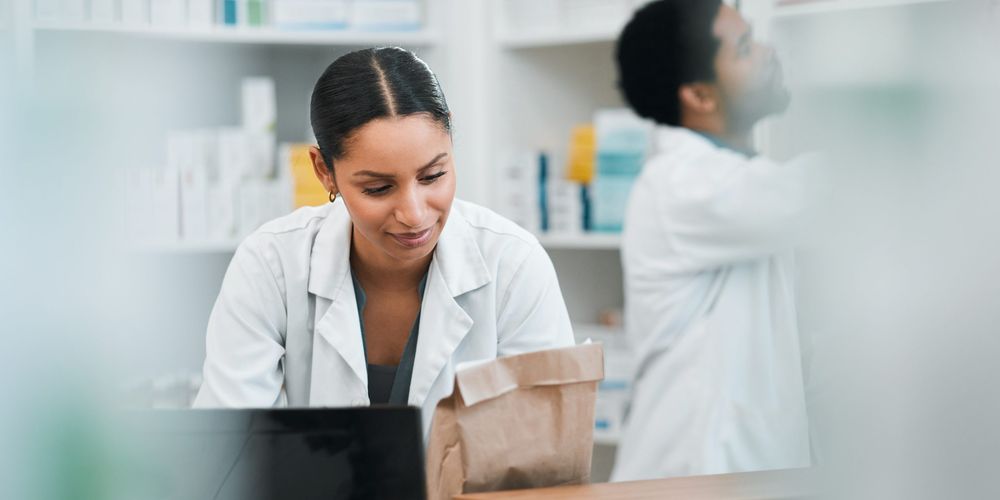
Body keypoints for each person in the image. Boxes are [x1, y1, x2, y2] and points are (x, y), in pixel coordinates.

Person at [194, 47, 575, 436]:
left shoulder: (513, 265)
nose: (414, 214)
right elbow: (230, 447)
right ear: (325, 171)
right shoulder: (271, 265)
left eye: (432, 176)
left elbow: (544, 453)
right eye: (378, 188)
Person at [611, 0, 814, 480]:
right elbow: (815, 193)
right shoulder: (680, 184)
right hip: (689, 473)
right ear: (700, 95)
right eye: (745, 47)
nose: (767, 52)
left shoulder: (730, 179)